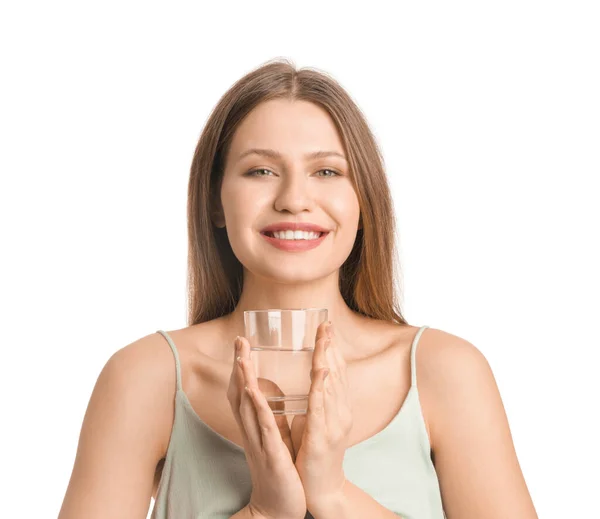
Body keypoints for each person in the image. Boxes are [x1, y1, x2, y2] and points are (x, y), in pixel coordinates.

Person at [57, 58, 539, 519]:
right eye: (260, 171)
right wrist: (264, 510)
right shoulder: (145, 378)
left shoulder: (445, 372)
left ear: (362, 200)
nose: (293, 200)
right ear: (216, 202)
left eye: (326, 171)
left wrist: (335, 495)